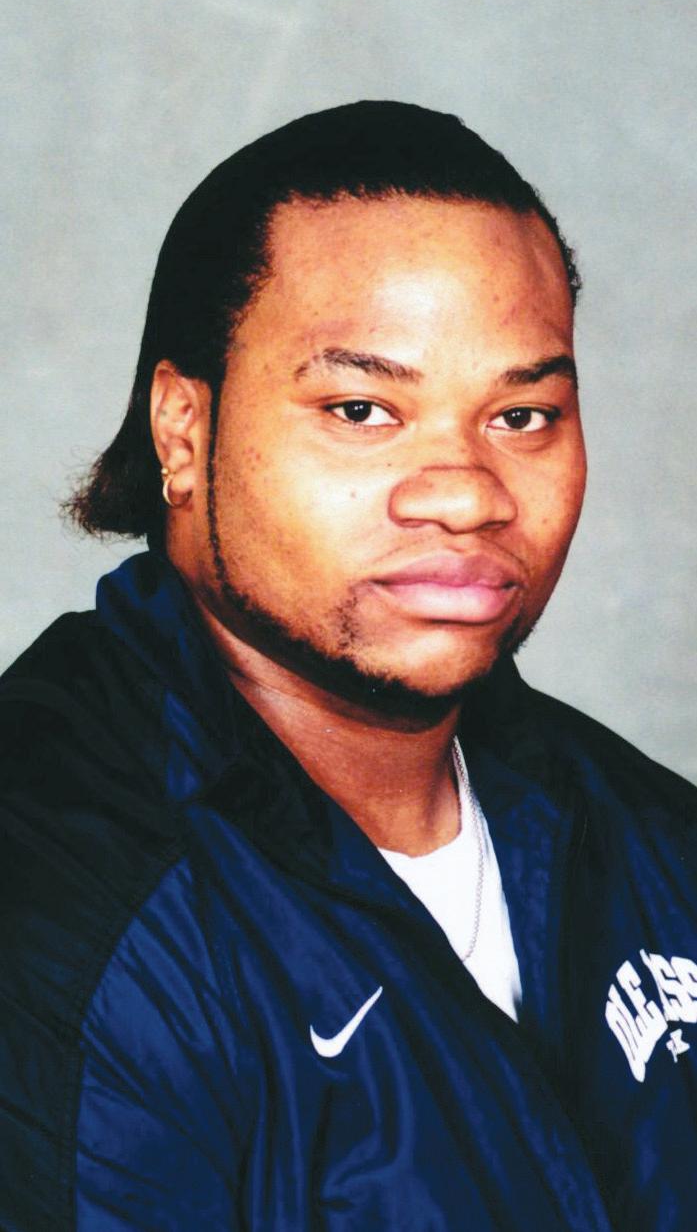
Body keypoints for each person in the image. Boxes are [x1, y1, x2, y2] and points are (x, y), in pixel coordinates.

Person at [1, 100, 695, 1232]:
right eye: (364, 408)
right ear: (182, 430)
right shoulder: (60, 909)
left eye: (522, 415)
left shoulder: (652, 841)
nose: (465, 493)